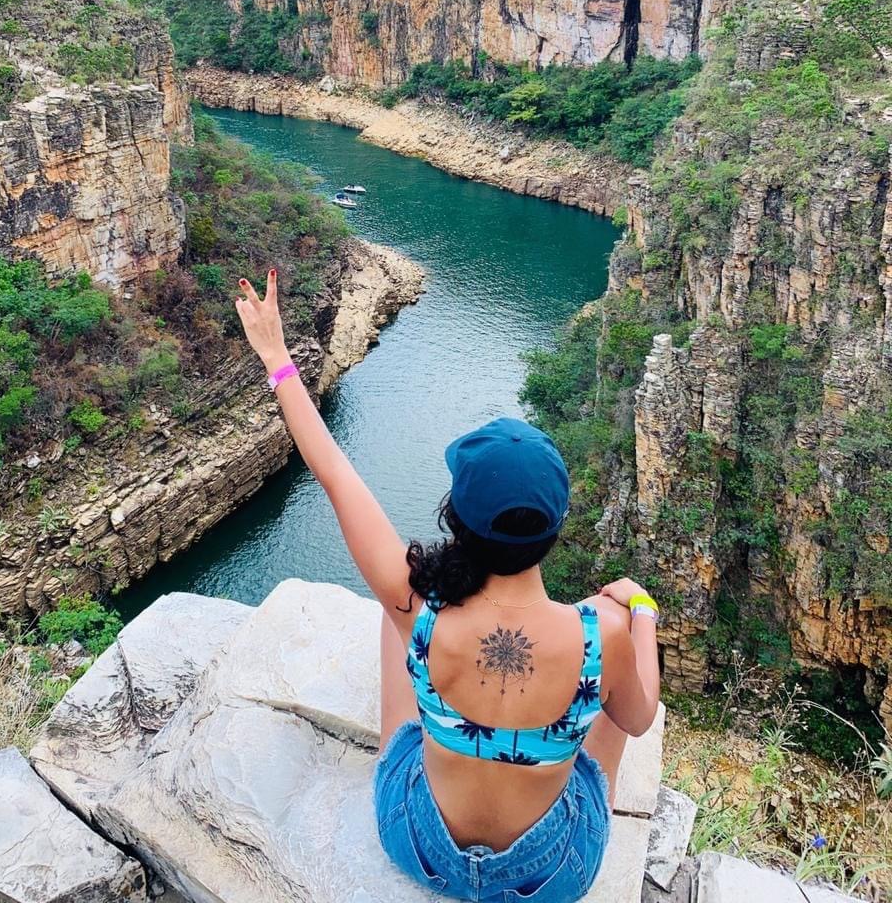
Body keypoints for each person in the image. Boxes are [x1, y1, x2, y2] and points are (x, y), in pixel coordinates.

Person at [236, 271, 661, 903]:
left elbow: (332, 470)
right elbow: (638, 715)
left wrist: (276, 356)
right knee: (603, 725)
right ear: (552, 530)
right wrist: (642, 610)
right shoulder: (603, 634)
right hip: (551, 876)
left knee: (393, 616)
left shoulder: (419, 601)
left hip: (422, 846)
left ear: (456, 517)